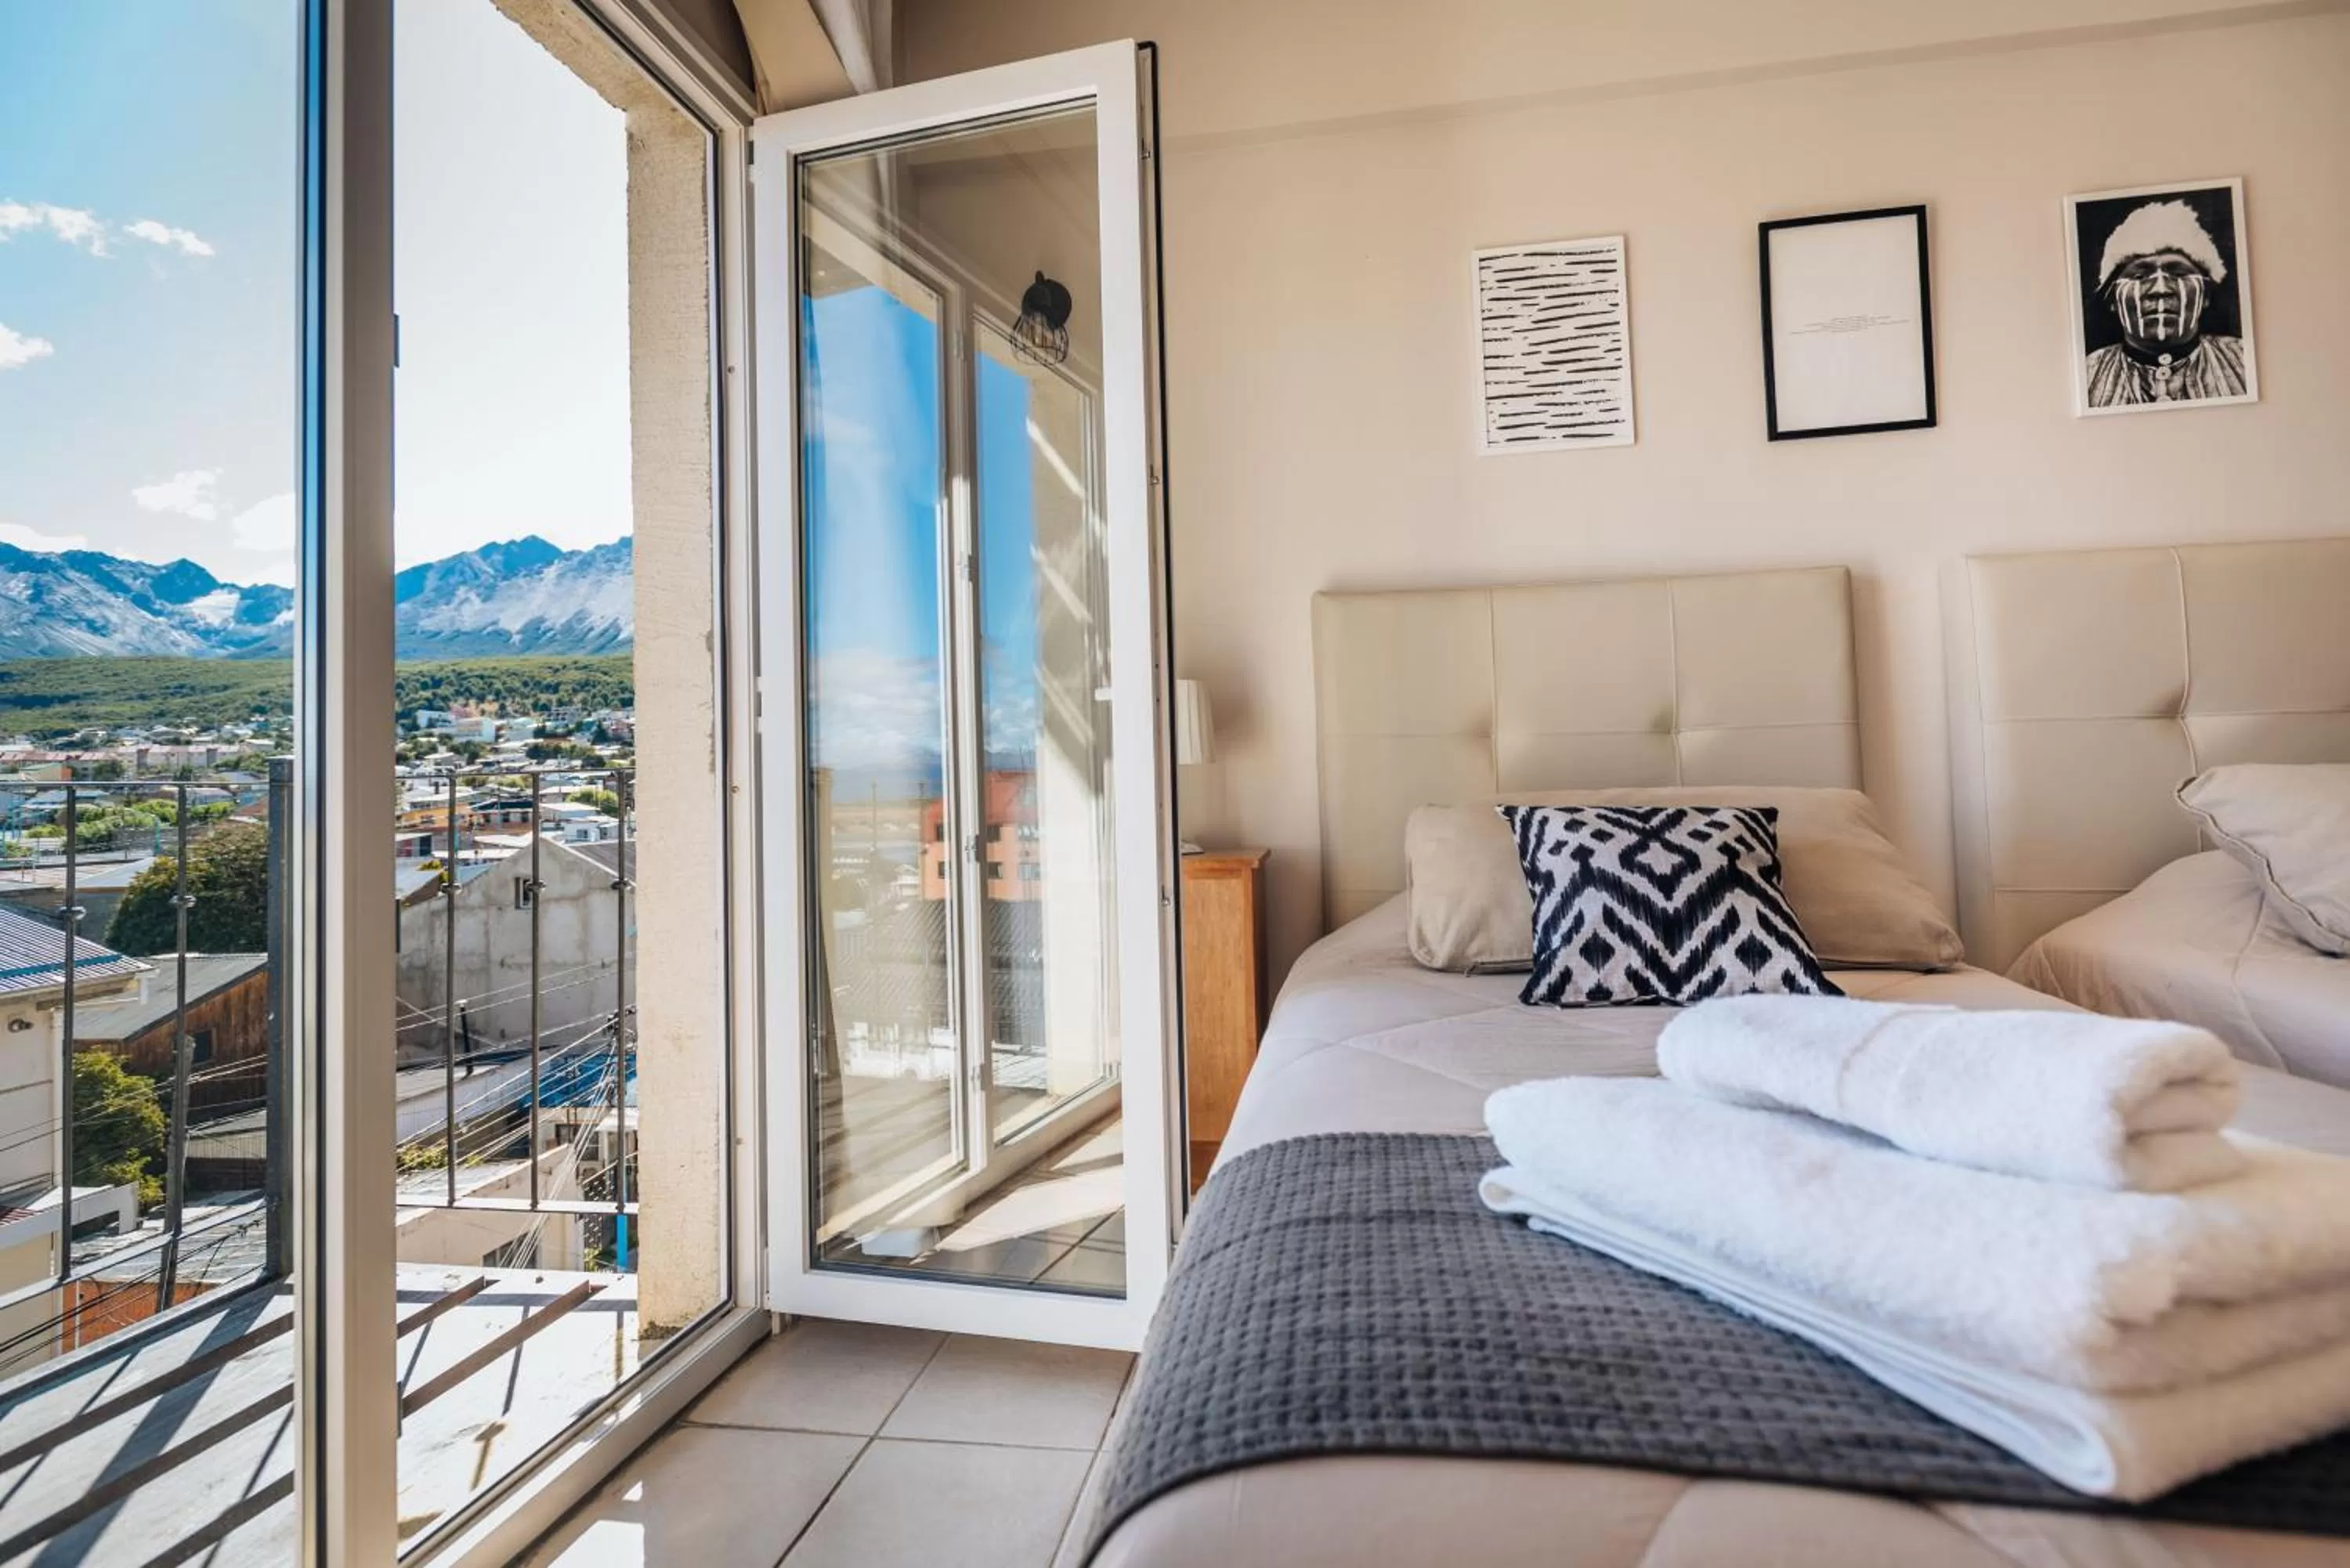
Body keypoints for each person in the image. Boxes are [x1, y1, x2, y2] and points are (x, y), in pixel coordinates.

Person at [2083, 199, 2250, 407]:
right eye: (2139, 276)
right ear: (2113, 300)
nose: (2160, 289)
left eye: (2179, 273)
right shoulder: (2087, 374)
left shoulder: (2244, 361)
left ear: (2206, 296)